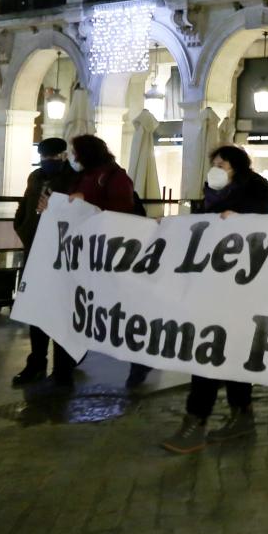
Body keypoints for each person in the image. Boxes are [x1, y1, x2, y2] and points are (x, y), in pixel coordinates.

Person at [163, 145, 268, 453]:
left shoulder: (255, 186)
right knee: (215, 349)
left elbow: (267, 220)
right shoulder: (211, 194)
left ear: (236, 166)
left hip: (242, 285)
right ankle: (234, 416)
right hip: (211, 285)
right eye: (213, 163)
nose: (216, 168)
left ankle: (198, 420)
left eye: (222, 163)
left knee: (218, 351)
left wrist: (241, 218)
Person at [70, 134, 152, 389]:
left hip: (112, 254)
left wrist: (88, 203)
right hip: (89, 253)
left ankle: (139, 360)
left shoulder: (114, 177)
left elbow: (121, 211)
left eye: (75, 151)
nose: (72, 156)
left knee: (121, 308)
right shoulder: (85, 175)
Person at [11, 137, 80, 385]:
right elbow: (25, 204)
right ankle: (37, 361)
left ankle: (64, 366)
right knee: (35, 309)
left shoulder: (74, 179)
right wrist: (22, 225)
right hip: (34, 250)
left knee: (61, 310)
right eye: (45, 158)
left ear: (63, 156)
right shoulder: (35, 177)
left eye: (54, 158)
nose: (49, 162)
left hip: (61, 253)